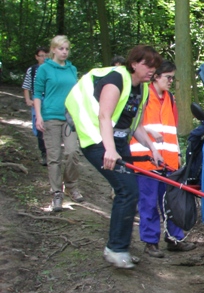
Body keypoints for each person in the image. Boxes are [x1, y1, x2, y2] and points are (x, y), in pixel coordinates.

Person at [65, 45, 163, 269]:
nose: (151, 71)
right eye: (148, 65)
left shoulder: (144, 89)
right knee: (128, 191)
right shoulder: (116, 79)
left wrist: (152, 148)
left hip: (118, 141)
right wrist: (109, 149)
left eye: (155, 67)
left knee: (129, 192)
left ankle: (120, 248)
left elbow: (134, 125)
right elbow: (104, 115)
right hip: (97, 139)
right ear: (134, 63)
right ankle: (115, 249)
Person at [129, 60, 196, 257]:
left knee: (171, 201)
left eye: (172, 78)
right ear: (156, 76)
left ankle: (174, 238)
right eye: (168, 77)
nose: (170, 81)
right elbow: (133, 123)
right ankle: (150, 242)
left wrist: (177, 155)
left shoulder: (170, 99)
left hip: (168, 161)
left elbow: (172, 130)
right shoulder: (142, 95)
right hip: (145, 160)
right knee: (148, 202)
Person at [33, 36, 83, 211]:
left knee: (72, 152)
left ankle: (71, 186)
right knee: (54, 157)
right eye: (61, 49)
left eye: (67, 49)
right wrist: (38, 116)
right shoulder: (44, 69)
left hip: (69, 117)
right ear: (53, 50)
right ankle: (56, 193)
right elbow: (37, 93)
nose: (64, 52)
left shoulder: (72, 69)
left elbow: (76, 93)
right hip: (50, 116)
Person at [22, 47, 48, 165]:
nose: (44, 58)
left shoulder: (52, 68)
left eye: (46, 55)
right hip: (37, 100)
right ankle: (44, 153)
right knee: (39, 127)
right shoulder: (32, 70)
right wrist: (28, 99)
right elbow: (26, 86)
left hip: (50, 100)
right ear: (36, 57)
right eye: (41, 55)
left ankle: (51, 152)